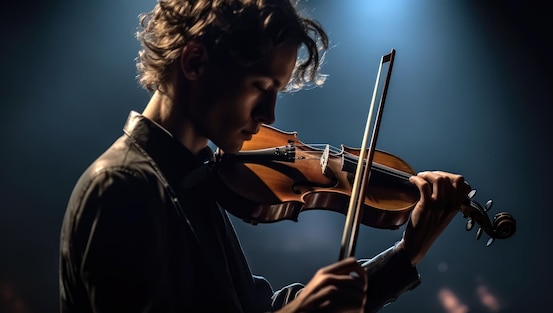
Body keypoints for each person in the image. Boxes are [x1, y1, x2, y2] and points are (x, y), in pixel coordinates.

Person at [59, 0, 471, 312]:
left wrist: (406, 253)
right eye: (261, 86)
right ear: (195, 60)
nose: (269, 115)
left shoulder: (192, 180)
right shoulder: (122, 187)